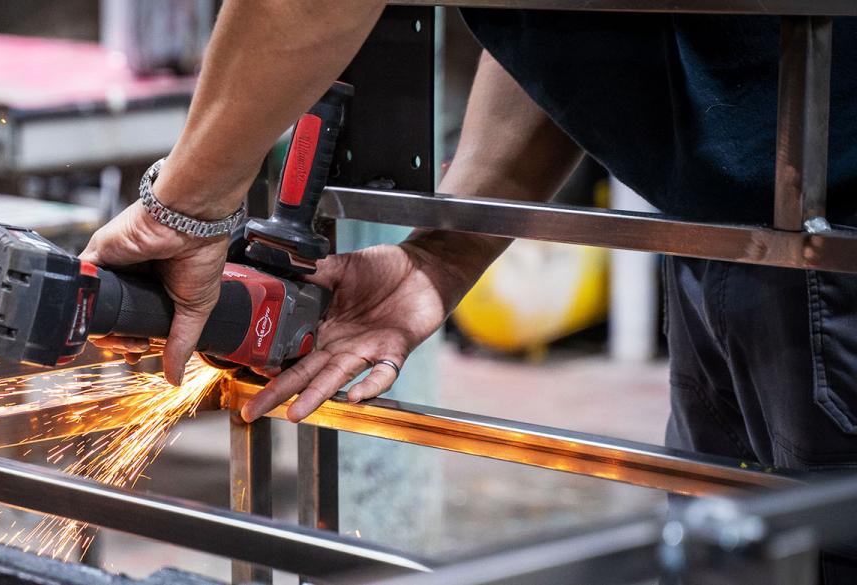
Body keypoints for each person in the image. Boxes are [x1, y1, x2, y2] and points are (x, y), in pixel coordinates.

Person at [79, 3, 856, 580]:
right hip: (728, 224)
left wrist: (182, 206)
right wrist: (443, 257)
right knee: (725, 554)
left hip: (833, 237)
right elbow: (580, 34)